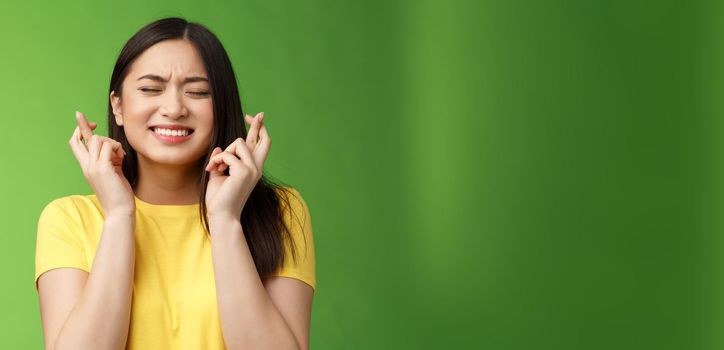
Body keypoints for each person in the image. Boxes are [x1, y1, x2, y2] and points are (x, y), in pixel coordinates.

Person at [34, 17, 316, 350]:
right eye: (151, 89)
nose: (174, 108)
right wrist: (120, 216)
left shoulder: (279, 211)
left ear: (222, 105)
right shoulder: (68, 219)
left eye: (198, 92)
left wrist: (226, 220)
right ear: (118, 106)